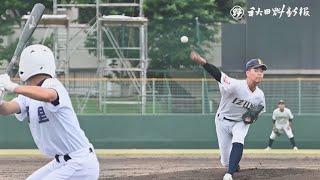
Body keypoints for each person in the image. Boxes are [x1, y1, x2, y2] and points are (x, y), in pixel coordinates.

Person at [0, 44, 99, 180]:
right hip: (62, 162)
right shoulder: (28, 95)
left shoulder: (52, 84)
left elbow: (49, 96)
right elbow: (6, 109)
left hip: (79, 162)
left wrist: (13, 87)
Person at [191, 51, 267, 180]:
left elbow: (259, 109)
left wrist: (252, 116)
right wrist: (202, 62)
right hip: (222, 121)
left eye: (262, 70)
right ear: (247, 72)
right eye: (256, 70)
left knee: (239, 140)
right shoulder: (235, 85)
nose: (260, 73)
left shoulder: (260, 95)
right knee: (225, 162)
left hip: (240, 122)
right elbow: (217, 74)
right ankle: (232, 165)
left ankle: (229, 174)